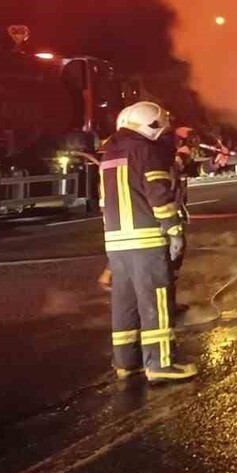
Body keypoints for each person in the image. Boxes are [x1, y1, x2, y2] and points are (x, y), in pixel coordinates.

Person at [100, 101, 196, 383]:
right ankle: (161, 363)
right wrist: (174, 229)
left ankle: (126, 363)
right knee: (156, 301)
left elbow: (106, 204)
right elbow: (158, 195)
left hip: (117, 242)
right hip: (146, 240)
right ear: (151, 126)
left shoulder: (109, 154)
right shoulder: (146, 151)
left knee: (124, 303)